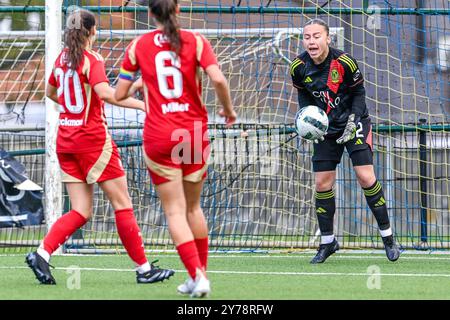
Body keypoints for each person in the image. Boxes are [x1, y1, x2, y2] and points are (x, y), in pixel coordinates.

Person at [25, 8, 174, 285]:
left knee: (81, 210)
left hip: (65, 141)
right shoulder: (91, 59)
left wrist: (74, 107)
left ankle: (41, 253)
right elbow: (105, 93)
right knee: (122, 203)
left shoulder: (61, 59)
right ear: (93, 31)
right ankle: (144, 270)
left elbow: (50, 93)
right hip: (92, 141)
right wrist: (142, 101)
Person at [114, 0, 236, 298]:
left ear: (149, 13)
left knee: (174, 211)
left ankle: (196, 276)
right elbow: (218, 78)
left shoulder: (138, 46)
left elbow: (118, 94)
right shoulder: (196, 41)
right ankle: (200, 275)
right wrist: (228, 111)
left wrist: (141, 82)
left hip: (160, 134)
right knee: (194, 208)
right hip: (192, 132)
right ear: (178, 10)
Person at [290, 19, 400, 263]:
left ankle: (388, 238)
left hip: (355, 122)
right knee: (322, 183)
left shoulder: (345, 62)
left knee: (365, 176)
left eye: (316, 36)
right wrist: (307, 122)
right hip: (325, 129)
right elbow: (303, 96)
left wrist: (352, 120)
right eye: (307, 37)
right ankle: (327, 243)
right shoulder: (298, 67)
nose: (311, 41)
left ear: (328, 38)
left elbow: (359, 94)